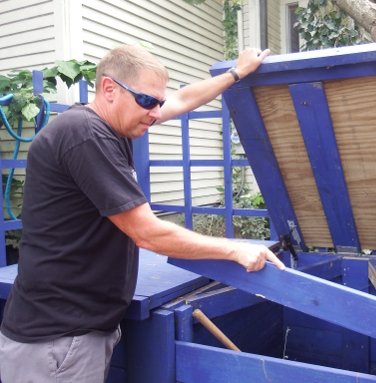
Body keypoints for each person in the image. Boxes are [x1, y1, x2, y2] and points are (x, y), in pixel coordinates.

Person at [0, 45, 284, 383]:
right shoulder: (85, 135)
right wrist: (236, 248)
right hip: (57, 339)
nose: (155, 112)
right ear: (109, 89)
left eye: (157, 103)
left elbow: (181, 100)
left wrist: (237, 73)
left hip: (73, 331)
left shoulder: (113, 124)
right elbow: (147, 232)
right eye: (148, 101)